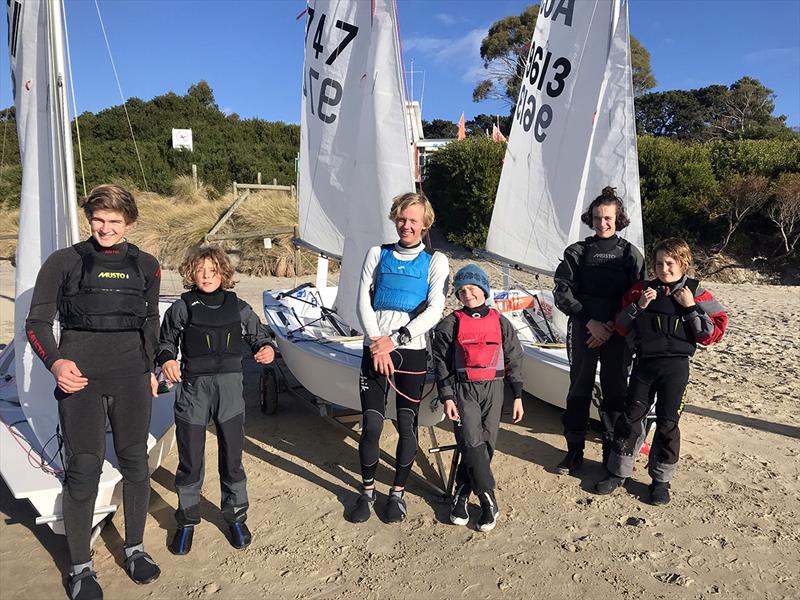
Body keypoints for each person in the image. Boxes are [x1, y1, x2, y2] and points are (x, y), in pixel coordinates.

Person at [25, 184, 161, 600]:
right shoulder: (64, 261)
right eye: (98, 220)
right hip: (79, 378)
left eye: (114, 222)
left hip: (131, 377)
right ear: (89, 218)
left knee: (136, 462)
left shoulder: (147, 265)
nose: (105, 228)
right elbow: (37, 322)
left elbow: (152, 320)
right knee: (84, 469)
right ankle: (81, 568)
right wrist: (56, 363)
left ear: (130, 223)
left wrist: (153, 365)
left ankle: (135, 548)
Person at [156, 245, 275, 554]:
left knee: (232, 459)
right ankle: (186, 520)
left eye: (213, 271)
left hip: (230, 389)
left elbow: (258, 334)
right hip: (194, 389)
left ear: (224, 273)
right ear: (191, 274)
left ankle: (235, 516)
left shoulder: (238, 307)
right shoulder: (182, 307)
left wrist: (266, 347)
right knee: (191, 460)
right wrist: (167, 359)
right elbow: (165, 341)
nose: (207, 276)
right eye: (200, 271)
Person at [596, 238, 727, 504]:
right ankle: (618, 472)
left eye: (670, 263)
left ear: (683, 263)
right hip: (645, 364)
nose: (664, 268)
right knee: (631, 417)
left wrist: (690, 307)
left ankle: (661, 481)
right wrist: (638, 306)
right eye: (658, 263)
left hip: (676, 368)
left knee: (668, 423)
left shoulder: (698, 293)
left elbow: (712, 334)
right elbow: (620, 326)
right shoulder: (640, 291)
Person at [348, 192, 449, 523]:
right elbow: (362, 296)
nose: (407, 225)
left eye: (413, 221)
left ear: (424, 224)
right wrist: (377, 341)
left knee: (407, 424)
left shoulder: (436, 261)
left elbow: (435, 308)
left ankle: (397, 495)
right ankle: (366, 492)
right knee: (373, 424)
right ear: (395, 219)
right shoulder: (378, 253)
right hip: (375, 347)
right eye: (402, 219)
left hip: (410, 350)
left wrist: (395, 339)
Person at [553, 186, 645, 475]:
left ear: (618, 219)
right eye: (596, 217)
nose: (602, 223)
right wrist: (589, 320)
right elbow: (562, 292)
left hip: (618, 332)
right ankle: (574, 452)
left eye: (608, 217)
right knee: (579, 388)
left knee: (616, 391)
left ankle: (611, 453)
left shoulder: (631, 254)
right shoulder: (577, 252)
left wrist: (612, 326)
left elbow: (638, 296)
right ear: (590, 219)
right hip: (583, 328)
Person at [432, 265, 524, 532]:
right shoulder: (451, 323)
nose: (467, 294)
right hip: (464, 390)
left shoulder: (501, 322)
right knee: (471, 444)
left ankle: (461, 493)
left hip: (494, 388)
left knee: (487, 446)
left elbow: (514, 360)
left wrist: (517, 396)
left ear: (483, 289)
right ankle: (488, 501)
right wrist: (447, 397)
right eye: (461, 290)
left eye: (472, 288)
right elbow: (441, 364)